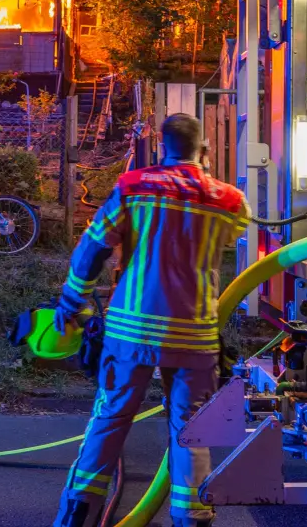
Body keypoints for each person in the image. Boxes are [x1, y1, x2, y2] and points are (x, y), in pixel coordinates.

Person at [52, 113, 249, 527]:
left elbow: (93, 249)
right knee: (191, 431)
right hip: (194, 336)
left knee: (110, 419)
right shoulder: (229, 199)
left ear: (161, 145)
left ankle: (78, 514)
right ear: (205, 148)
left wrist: (72, 304)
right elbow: (230, 237)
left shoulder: (133, 187)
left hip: (131, 331)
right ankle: (193, 518)